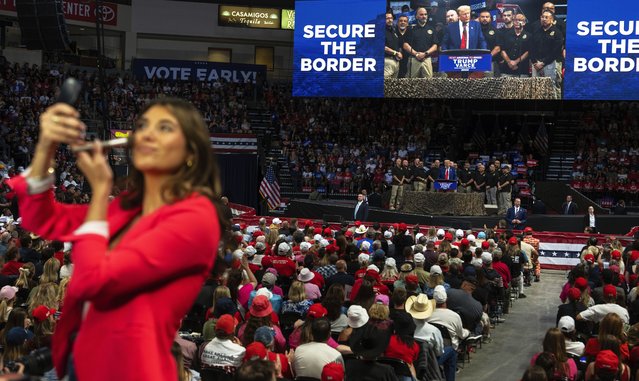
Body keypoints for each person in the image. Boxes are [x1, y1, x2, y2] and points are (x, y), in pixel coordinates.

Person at [6, 98, 226, 380]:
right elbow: (42, 218)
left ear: (190, 152)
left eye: (164, 127)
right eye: (144, 125)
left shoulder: (196, 217)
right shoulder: (127, 207)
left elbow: (99, 282)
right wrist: (46, 148)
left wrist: (99, 192)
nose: (146, 133)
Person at [403, 7, 439, 79]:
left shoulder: (431, 29)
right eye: (421, 14)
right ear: (416, 16)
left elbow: (435, 46)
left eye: (425, 14)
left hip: (427, 59)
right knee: (411, 83)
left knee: (428, 83)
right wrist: (416, 54)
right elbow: (405, 45)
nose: (424, 16)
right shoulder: (411, 29)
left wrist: (425, 53)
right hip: (414, 59)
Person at [498, 13, 531, 78]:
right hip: (507, 68)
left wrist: (516, 62)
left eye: (520, 20)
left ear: (524, 23)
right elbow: (502, 49)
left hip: (522, 69)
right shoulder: (506, 34)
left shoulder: (529, 36)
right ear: (513, 22)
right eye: (515, 20)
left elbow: (528, 51)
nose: (517, 22)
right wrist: (509, 62)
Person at [385, 11, 403, 79]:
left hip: (396, 61)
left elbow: (397, 45)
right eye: (387, 18)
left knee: (393, 86)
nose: (390, 20)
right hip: (386, 60)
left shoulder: (394, 30)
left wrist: (400, 53)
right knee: (386, 85)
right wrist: (395, 53)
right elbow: (382, 47)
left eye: (391, 18)